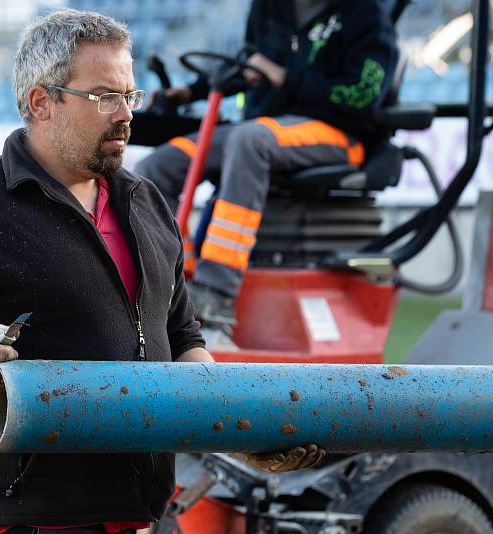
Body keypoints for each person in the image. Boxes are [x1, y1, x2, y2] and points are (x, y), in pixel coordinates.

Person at [0, 10, 324, 534]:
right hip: (35, 522)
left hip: (150, 514)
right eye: (104, 96)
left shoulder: (147, 201)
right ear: (42, 102)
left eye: (129, 96)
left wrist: (238, 431)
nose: (125, 113)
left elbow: (181, 341)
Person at [135, 0, 398, 343]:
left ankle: (216, 292)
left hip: (337, 131)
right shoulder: (269, 8)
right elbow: (248, 65)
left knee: (250, 140)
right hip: (263, 127)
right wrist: (190, 91)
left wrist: (284, 78)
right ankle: (167, 279)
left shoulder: (364, 13)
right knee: (158, 165)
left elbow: (362, 95)